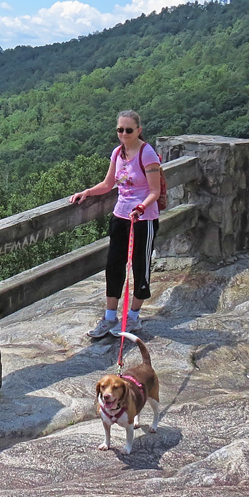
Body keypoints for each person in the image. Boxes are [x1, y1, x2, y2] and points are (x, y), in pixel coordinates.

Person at [69, 110, 161, 338]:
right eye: (120, 129)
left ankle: (133, 318)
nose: (124, 134)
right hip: (120, 216)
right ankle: (110, 318)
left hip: (143, 219)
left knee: (140, 268)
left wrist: (141, 207)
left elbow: (155, 191)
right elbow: (109, 183)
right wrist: (87, 192)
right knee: (114, 265)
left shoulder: (147, 153)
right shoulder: (118, 153)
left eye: (129, 130)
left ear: (139, 130)